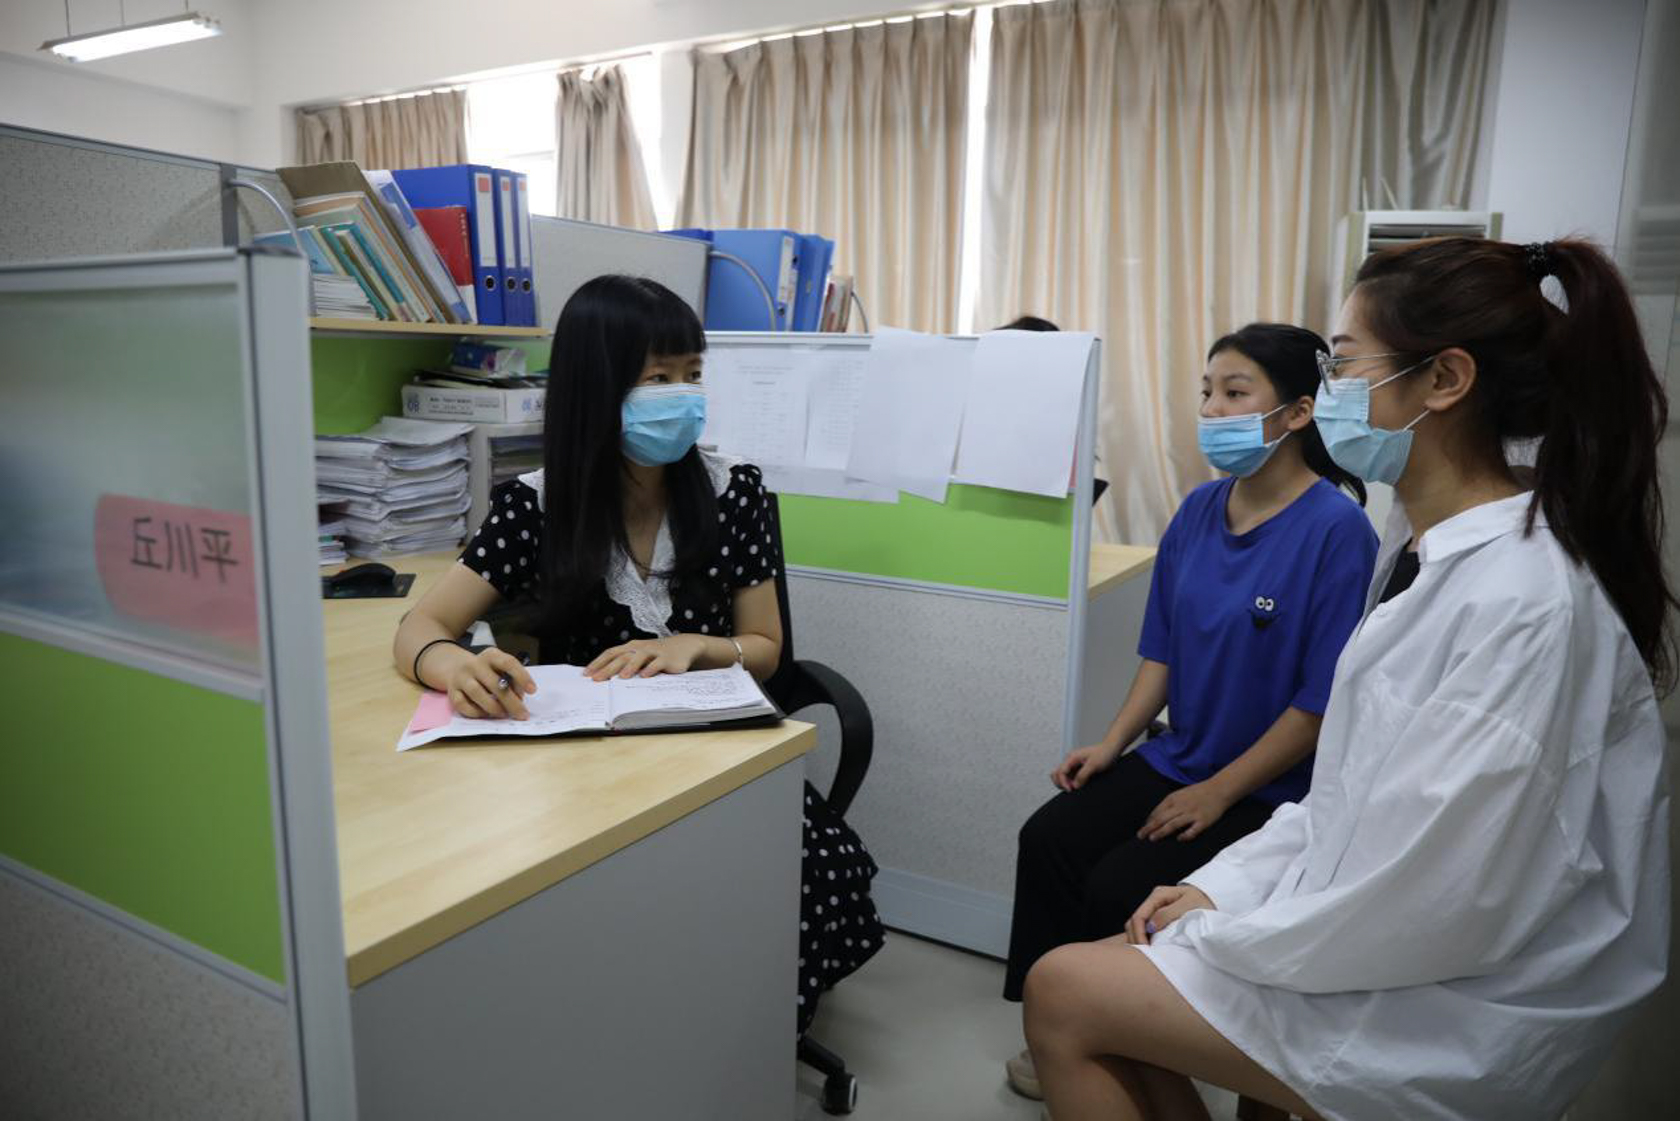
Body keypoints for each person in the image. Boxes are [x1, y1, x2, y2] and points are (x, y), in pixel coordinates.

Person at [1023, 238, 1673, 1121]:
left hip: (1448, 996)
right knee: (1119, 932)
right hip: (1372, 923)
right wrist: (1223, 887)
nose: (1327, 391)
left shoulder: (1522, 603)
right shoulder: (1418, 552)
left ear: (1444, 379)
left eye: (1343, 363)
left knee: (1065, 989)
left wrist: (1228, 924)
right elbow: (1345, 795)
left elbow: (1435, 887)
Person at [392, 274, 884, 1037]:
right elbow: (420, 624)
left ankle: (748, 1043)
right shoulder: (537, 506)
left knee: (811, 874)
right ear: (599, 385)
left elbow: (765, 648)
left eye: (693, 373)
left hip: (713, 753)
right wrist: (452, 664)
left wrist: (699, 646)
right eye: (658, 378)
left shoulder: (733, 493)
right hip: (592, 768)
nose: (682, 396)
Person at [1000, 324, 1379, 1100]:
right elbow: (1162, 653)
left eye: (1235, 392)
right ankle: (1056, 1030)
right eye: (1207, 391)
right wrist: (1112, 743)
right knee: (1049, 838)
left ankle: (1125, 1039)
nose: (1211, 409)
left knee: (1119, 885)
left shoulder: (1338, 531)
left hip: (1271, 789)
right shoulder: (1199, 509)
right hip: (1180, 755)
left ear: (1298, 412)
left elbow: (1318, 706)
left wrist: (1217, 792)